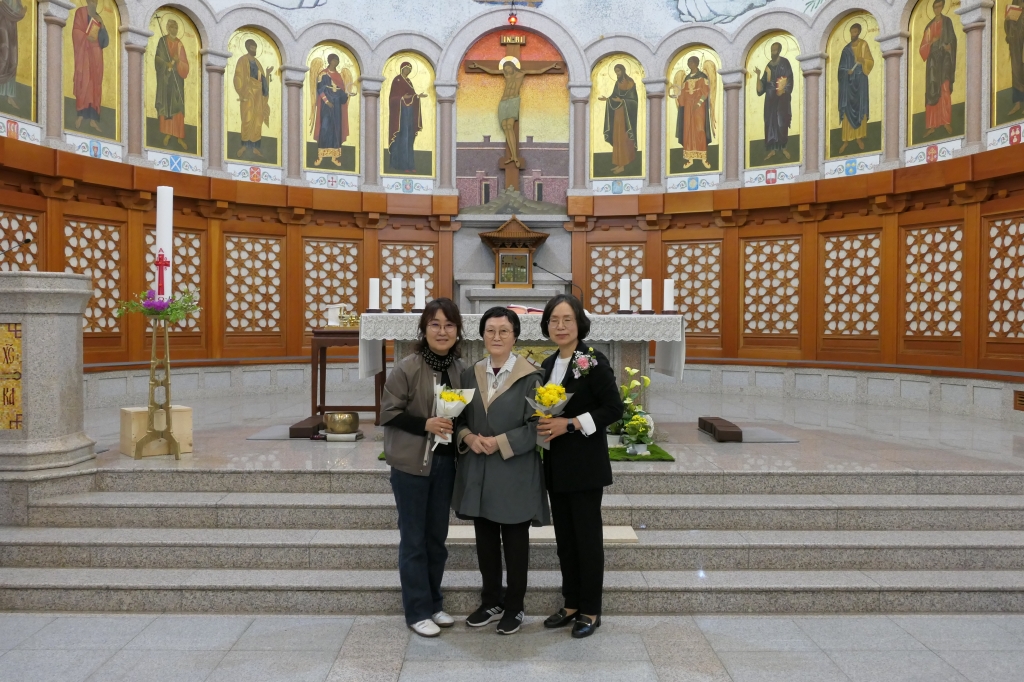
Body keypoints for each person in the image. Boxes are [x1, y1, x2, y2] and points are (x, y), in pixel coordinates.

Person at [453, 307, 548, 636]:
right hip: (479, 469)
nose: (496, 336)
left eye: (503, 331)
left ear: (515, 336)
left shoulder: (531, 376)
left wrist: (501, 442)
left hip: (514, 470)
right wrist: (468, 437)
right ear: (482, 335)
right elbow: (458, 418)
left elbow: (538, 427)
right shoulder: (470, 374)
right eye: (490, 330)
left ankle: (515, 605)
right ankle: (491, 600)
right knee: (485, 540)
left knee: (515, 541)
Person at [537, 295, 624, 639]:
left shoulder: (592, 360)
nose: (560, 326)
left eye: (567, 320)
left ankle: (590, 609)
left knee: (587, 540)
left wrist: (571, 424)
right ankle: (571, 602)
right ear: (546, 325)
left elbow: (613, 408)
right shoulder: (547, 364)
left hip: (585, 466)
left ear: (579, 324)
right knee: (565, 540)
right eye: (554, 320)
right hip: (556, 465)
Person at [380, 298, 467, 638]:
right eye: (435, 324)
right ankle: (417, 611)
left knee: (436, 540)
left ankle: (433, 603)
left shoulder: (459, 369)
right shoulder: (407, 368)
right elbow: (388, 413)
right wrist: (426, 424)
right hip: (411, 465)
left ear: (458, 331)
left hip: (445, 464)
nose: (442, 331)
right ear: (424, 329)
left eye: (449, 325)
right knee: (414, 540)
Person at [467, 58, 561, 168]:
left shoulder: (521, 73)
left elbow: (538, 71)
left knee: (509, 126)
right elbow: (491, 71)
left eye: (509, 69)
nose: (507, 71)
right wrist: (478, 66)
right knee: (505, 127)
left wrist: (551, 66)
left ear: (513, 67)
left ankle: (515, 156)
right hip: (503, 102)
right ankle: (512, 156)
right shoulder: (506, 75)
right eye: (505, 70)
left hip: (513, 101)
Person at [919, 0, 957, 138]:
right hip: (933, 62)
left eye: (939, 6)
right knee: (932, 90)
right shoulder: (929, 27)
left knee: (944, 88)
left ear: (943, 7)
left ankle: (946, 121)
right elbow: (922, 49)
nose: (937, 9)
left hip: (945, 59)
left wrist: (949, 46)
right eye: (935, 7)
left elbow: (953, 39)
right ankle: (931, 125)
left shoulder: (947, 22)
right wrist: (931, 42)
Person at [309, 53, 353, 168]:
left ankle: (335, 156)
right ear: (329, 61)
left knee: (336, 129)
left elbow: (342, 92)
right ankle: (321, 155)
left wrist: (347, 94)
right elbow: (320, 89)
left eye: (337, 61)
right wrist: (326, 101)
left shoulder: (339, 76)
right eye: (334, 60)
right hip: (326, 106)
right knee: (325, 127)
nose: (335, 62)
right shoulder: (323, 74)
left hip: (337, 106)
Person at [71, 0, 109, 133]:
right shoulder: (80, 13)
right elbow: (75, 31)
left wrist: (102, 25)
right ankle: (81, 115)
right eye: (92, 1)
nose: (94, 3)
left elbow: (105, 42)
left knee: (95, 85)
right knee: (84, 82)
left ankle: (93, 119)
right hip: (84, 53)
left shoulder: (98, 17)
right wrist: (86, 37)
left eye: (96, 1)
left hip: (96, 55)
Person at [233, 38, 274, 159]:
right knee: (247, 118)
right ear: (248, 48)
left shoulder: (257, 62)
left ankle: (255, 147)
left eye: (255, 48)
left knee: (258, 119)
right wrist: (242, 92)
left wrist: (267, 74)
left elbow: (261, 79)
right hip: (248, 93)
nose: (254, 50)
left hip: (258, 95)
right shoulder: (242, 60)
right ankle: (244, 145)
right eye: (252, 48)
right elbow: (238, 77)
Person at [753, 42, 794, 161]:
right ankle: (772, 150)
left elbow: (789, 78)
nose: (773, 53)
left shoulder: (784, 63)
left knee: (781, 121)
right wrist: (758, 76)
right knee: (770, 122)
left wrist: (784, 90)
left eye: (775, 50)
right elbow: (762, 86)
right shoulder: (769, 65)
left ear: (779, 51)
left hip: (782, 98)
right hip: (770, 99)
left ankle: (784, 147)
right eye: (771, 50)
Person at [837, 23, 873, 155]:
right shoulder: (846, 50)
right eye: (851, 32)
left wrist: (863, 61)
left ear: (859, 32)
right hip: (848, 84)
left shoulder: (863, 45)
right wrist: (846, 71)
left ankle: (859, 137)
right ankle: (846, 140)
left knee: (860, 107)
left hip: (860, 81)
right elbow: (840, 69)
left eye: (855, 32)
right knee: (847, 108)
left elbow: (870, 61)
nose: (853, 34)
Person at [673, 56, 715, 169]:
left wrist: (699, 102)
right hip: (688, 108)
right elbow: (683, 94)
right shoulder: (686, 79)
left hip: (698, 107)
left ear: (696, 63)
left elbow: (705, 92)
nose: (689, 64)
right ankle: (690, 159)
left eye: (691, 62)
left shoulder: (702, 77)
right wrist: (677, 97)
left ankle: (703, 158)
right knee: (688, 131)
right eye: (688, 62)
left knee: (700, 129)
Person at [154, 19, 190, 150]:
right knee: (166, 105)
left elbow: (185, 64)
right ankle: (167, 133)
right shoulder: (162, 41)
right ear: (168, 28)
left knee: (177, 105)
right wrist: (166, 64)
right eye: (172, 27)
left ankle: (179, 136)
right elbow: (157, 58)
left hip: (177, 80)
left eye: (176, 27)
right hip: (165, 79)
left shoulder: (180, 45)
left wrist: (178, 61)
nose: (174, 30)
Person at [599, 64, 639, 174]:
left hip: (626, 117)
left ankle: (624, 164)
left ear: (623, 70)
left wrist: (622, 101)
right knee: (617, 137)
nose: (617, 73)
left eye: (618, 71)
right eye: (616, 71)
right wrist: (607, 99)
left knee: (623, 138)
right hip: (618, 114)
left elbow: (634, 100)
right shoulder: (617, 83)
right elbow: (614, 96)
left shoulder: (630, 82)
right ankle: (618, 164)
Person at [387, 62, 426, 173]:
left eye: (409, 69)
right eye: (406, 69)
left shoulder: (409, 81)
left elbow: (412, 95)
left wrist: (417, 96)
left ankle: (410, 165)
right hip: (400, 114)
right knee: (403, 138)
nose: (408, 71)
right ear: (402, 69)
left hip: (409, 112)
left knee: (409, 138)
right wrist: (402, 97)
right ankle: (402, 165)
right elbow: (392, 98)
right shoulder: (397, 80)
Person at [0, 0, 26, 112]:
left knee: (13, 60)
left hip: (11, 28)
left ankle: (10, 95)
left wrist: (21, 12)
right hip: (2, 26)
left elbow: (17, 9)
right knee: (4, 57)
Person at [1006, 0, 1024, 117]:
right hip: (1016, 42)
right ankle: (1018, 103)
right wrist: (1008, 19)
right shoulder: (1016, 1)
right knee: (1016, 71)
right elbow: (1008, 22)